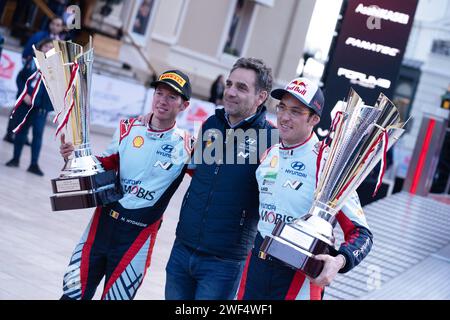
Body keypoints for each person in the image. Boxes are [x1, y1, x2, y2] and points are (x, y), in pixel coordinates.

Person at [59, 70, 193, 300]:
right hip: (100, 226)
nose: (163, 100)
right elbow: (104, 166)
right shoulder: (127, 128)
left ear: (184, 105)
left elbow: (214, 180)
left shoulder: (188, 145)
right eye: (159, 93)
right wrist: (75, 158)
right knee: (71, 295)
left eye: (172, 97)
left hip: (136, 239)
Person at [236, 77, 373, 300]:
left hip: (298, 280)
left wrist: (338, 262)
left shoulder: (328, 164)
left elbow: (362, 234)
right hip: (255, 270)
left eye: (296, 111)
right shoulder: (269, 153)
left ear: (314, 119)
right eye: (282, 108)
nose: (284, 117)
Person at [164, 57, 276, 300]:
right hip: (183, 249)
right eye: (229, 84)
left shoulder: (271, 140)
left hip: (223, 263)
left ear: (261, 97)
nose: (231, 92)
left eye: (242, 87)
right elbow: (193, 169)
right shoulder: (211, 124)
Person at [5, 38, 55, 176]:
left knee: (38, 135)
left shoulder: (55, 68)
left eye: (51, 47)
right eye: (46, 46)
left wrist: (48, 105)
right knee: (21, 132)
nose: (48, 49)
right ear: (41, 47)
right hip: (26, 104)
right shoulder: (31, 62)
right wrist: (24, 93)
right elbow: (20, 78)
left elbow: (56, 89)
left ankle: (34, 164)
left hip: (41, 107)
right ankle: (15, 159)